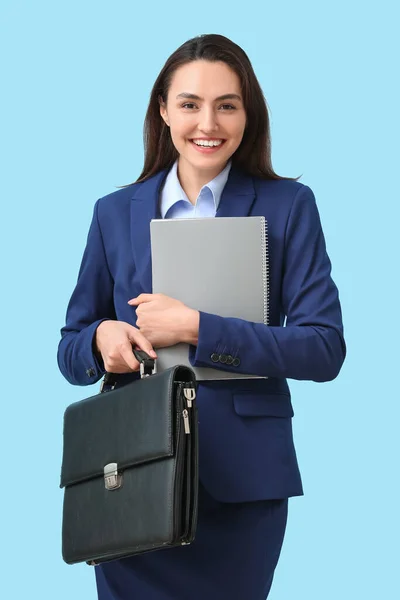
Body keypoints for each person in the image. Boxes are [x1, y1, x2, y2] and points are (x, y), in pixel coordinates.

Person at [57, 33, 346, 600]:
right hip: (133, 476)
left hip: (243, 484)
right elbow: (69, 349)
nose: (206, 123)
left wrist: (197, 329)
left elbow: (323, 347)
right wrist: (101, 339)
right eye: (189, 104)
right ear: (163, 111)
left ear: (247, 114)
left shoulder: (289, 207)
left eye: (227, 105)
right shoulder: (115, 213)